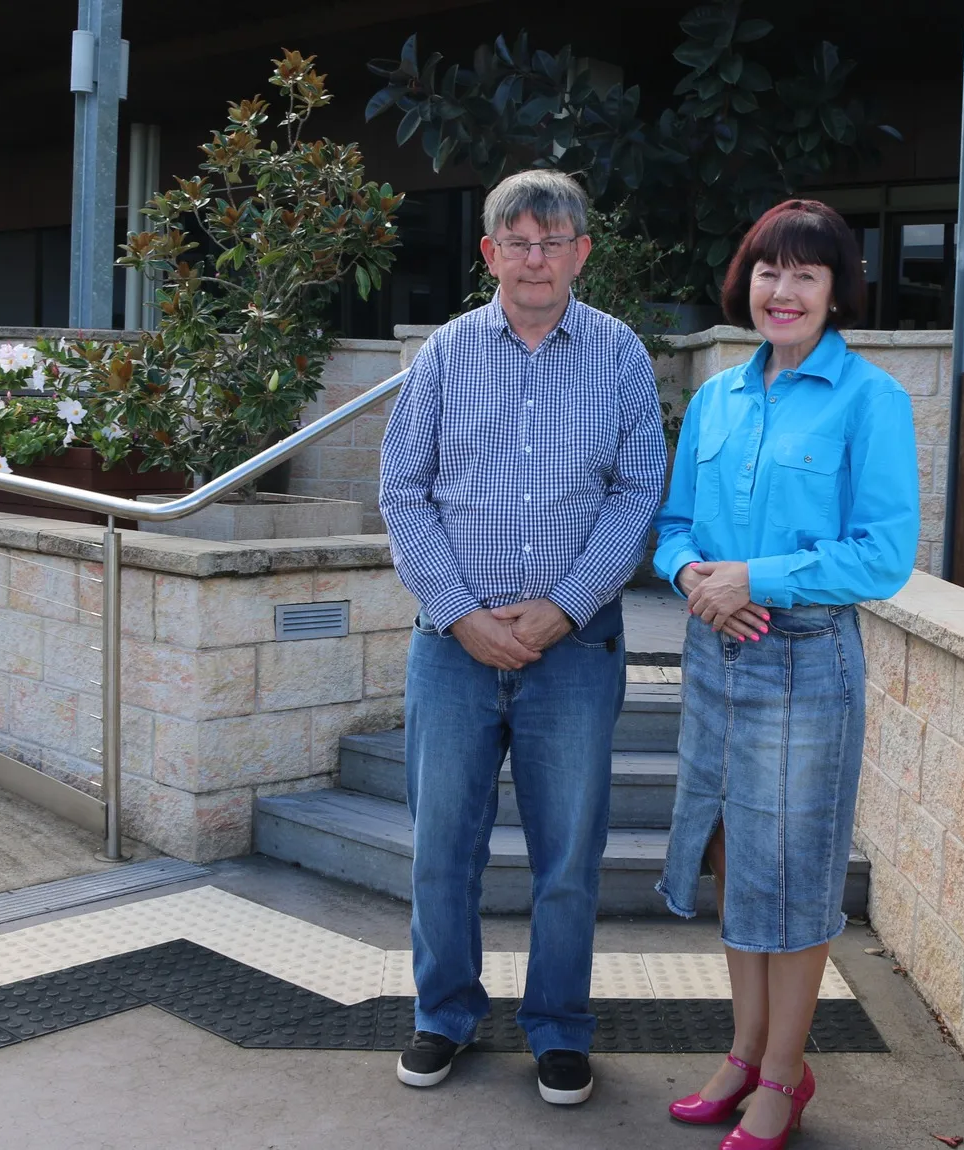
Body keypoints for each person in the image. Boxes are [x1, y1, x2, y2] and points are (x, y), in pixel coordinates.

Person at [379, 169, 668, 1106]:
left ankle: (559, 1029)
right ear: (489, 253)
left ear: (583, 253)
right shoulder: (443, 355)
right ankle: (443, 1015)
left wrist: (567, 605)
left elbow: (636, 493)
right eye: (519, 241)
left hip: (574, 649)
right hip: (451, 644)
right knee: (442, 849)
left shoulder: (621, 355)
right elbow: (403, 492)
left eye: (554, 241)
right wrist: (461, 612)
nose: (536, 257)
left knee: (569, 853)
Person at [653, 200, 918, 1149]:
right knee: (734, 851)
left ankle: (783, 1076)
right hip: (715, 651)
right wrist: (695, 578)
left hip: (806, 658)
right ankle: (743, 1050)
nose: (784, 290)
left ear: (837, 290)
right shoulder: (720, 397)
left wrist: (754, 578)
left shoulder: (871, 400)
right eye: (769, 270)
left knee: (796, 870)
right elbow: (674, 525)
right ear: (747, 280)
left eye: (807, 273)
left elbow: (884, 555)